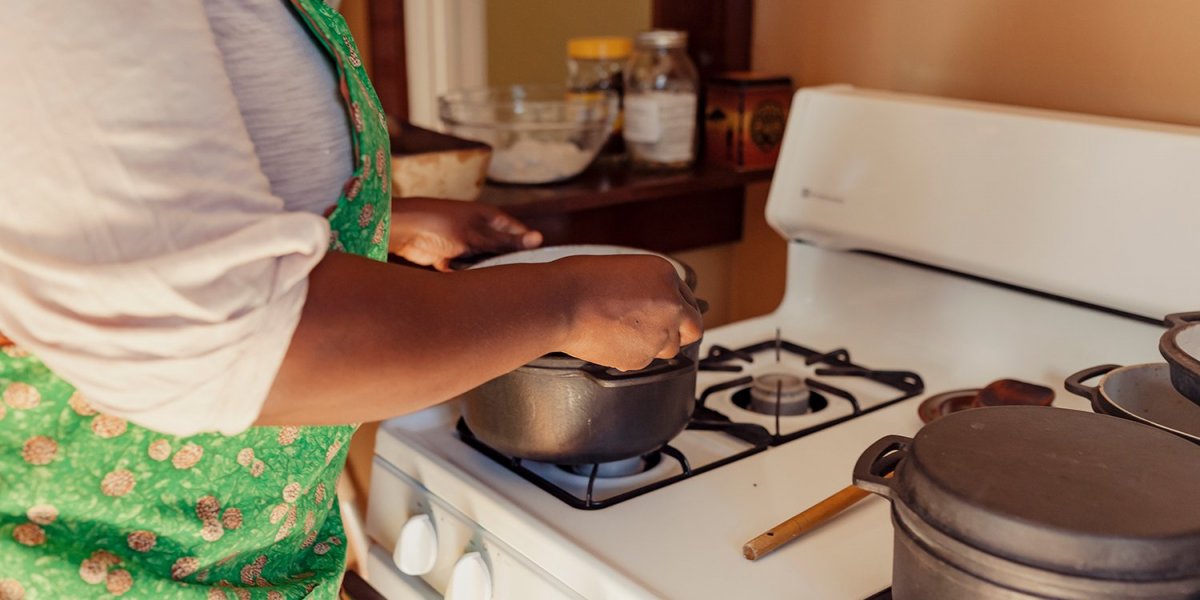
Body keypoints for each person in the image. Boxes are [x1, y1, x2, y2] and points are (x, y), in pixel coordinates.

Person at [0, 2, 702, 598]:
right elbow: (232, 345)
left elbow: (130, 217)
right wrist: (568, 302)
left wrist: (375, 224)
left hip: (263, 562)